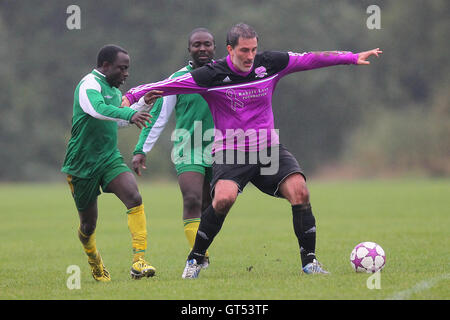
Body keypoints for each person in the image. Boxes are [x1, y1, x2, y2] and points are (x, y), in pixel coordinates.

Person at [122, 23, 383, 279]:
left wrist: (350, 57)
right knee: (224, 198)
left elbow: (310, 59)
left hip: (268, 147)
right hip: (231, 149)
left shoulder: (270, 64)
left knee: (300, 191)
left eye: (253, 50)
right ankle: (195, 258)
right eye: (244, 50)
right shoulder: (212, 75)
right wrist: (133, 95)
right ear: (229, 49)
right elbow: (170, 85)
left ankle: (310, 262)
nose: (250, 56)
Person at [61, 44, 162, 281]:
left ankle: (139, 261)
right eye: (122, 68)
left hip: (109, 158)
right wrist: (128, 113)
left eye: (128, 69)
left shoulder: (114, 91)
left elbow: (115, 119)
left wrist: (143, 104)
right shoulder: (89, 85)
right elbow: (97, 110)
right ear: (106, 65)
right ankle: (93, 258)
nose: (126, 74)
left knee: (134, 196)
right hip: (81, 164)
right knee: (88, 226)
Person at [131, 28, 216, 269]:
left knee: (211, 206)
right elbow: (159, 116)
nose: (202, 48)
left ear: (215, 47)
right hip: (187, 148)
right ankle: (200, 255)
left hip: (219, 148)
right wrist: (141, 149)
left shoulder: (226, 74)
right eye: (197, 44)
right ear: (189, 49)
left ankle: (200, 247)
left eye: (207, 44)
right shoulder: (178, 80)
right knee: (191, 198)